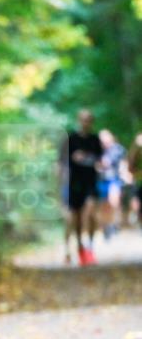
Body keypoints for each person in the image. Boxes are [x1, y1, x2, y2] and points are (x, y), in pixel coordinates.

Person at [60, 109, 103, 266]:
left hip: (90, 182)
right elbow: (62, 163)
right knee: (76, 218)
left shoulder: (95, 139)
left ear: (92, 122)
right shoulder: (71, 139)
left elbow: (100, 160)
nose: (86, 123)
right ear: (79, 120)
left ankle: (90, 248)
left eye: (89, 120)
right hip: (74, 183)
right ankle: (80, 248)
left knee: (90, 212)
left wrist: (95, 162)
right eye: (83, 120)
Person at [97, 129, 126, 238]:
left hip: (114, 179)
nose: (103, 141)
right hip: (101, 180)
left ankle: (115, 224)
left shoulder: (118, 149)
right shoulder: (98, 150)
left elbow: (123, 163)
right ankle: (106, 226)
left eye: (105, 138)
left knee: (114, 202)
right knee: (104, 205)